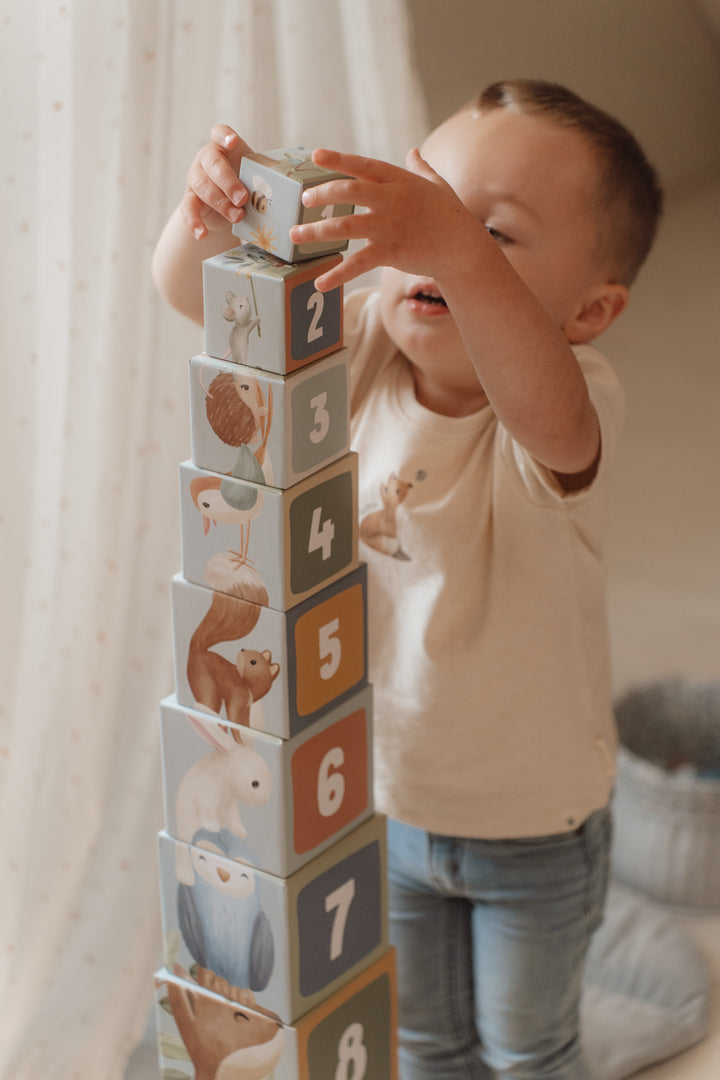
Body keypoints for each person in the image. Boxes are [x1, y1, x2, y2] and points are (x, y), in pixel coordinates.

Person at [153, 79, 663, 1080]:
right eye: (426, 207)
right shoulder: (363, 341)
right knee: (425, 1039)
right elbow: (197, 295)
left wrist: (453, 250)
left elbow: (551, 416)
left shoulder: (571, 397)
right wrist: (205, 212)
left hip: (533, 826)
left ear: (589, 312)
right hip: (383, 801)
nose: (436, 244)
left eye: (492, 234)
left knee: (530, 1048)